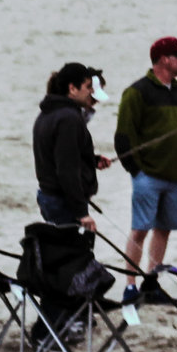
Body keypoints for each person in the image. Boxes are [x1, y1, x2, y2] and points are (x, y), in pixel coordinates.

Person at [115, 36, 177, 304]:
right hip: (148, 176)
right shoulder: (137, 92)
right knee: (140, 230)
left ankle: (151, 282)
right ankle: (130, 285)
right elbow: (123, 137)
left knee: (164, 229)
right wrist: (137, 172)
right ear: (164, 59)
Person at [33, 62, 114, 230]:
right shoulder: (68, 119)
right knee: (73, 254)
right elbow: (67, 169)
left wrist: (92, 160)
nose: (92, 92)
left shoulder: (48, 113)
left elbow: (60, 156)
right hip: (63, 202)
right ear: (72, 89)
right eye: (88, 87)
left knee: (60, 252)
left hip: (50, 197)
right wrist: (82, 212)